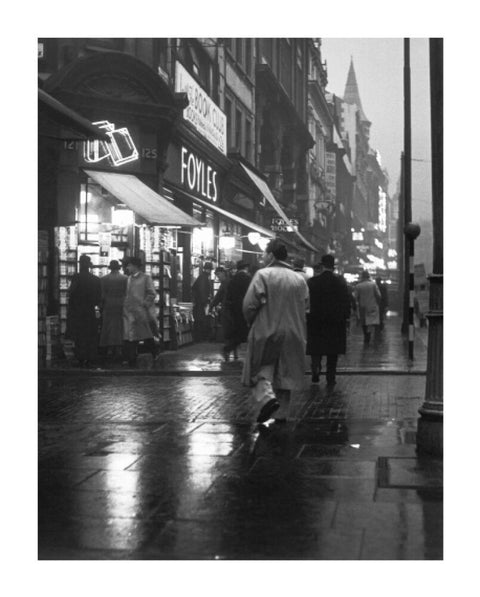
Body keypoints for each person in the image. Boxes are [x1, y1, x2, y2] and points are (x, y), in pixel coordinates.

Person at [241, 239, 309, 424]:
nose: (262, 257)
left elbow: (249, 305)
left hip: (266, 329)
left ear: (271, 255)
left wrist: (251, 321)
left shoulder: (263, 275)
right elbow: (306, 307)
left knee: (260, 368)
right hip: (294, 331)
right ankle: (281, 415)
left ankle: (267, 400)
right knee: (285, 374)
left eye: (263, 253)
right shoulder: (299, 279)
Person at [306, 254, 350, 387]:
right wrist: (346, 318)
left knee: (316, 349)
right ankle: (331, 377)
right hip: (335, 322)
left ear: (322, 265)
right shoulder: (340, 282)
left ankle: (316, 370)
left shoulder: (313, 282)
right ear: (333, 265)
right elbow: (345, 302)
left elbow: (307, 302)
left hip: (316, 320)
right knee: (333, 351)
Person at [65, 254, 102, 368]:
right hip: (90, 312)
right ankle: (89, 358)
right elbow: (98, 298)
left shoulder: (76, 277)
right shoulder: (96, 280)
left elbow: (71, 293)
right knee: (90, 335)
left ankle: (81, 358)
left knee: (79, 336)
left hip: (78, 312)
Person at [122, 256, 158, 366]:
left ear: (134, 266)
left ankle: (155, 353)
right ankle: (131, 358)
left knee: (146, 335)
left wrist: (144, 304)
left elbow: (152, 293)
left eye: (129, 265)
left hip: (141, 313)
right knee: (130, 336)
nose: (127, 267)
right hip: (129, 312)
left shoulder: (146, 278)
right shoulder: (128, 279)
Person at [222, 260, 252, 361]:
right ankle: (228, 349)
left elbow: (229, 295)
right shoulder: (248, 279)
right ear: (246, 268)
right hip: (245, 308)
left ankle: (230, 349)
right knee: (243, 332)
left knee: (237, 331)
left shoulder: (233, 279)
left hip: (234, 309)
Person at [99, 260, 128, 361]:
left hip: (109, 304)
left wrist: (101, 306)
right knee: (120, 327)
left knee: (108, 327)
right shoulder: (125, 278)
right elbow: (127, 293)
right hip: (121, 304)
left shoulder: (104, 279)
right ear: (119, 267)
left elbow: (102, 295)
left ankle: (109, 349)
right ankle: (119, 348)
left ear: (110, 267)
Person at [355, 270, 381, 344]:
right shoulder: (373, 285)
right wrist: (377, 304)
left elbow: (355, 297)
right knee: (371, 323)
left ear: (362, 276)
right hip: (372, 307)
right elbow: (379, 295)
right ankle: (371, 337)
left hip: (362, 307)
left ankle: (366, 336)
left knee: (364, 323)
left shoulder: (358, 286)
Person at [191, 261, 213, 342]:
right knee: (201, 320)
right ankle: (200, 337)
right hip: (201, 303)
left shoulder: (202, 277)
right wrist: (205, 302)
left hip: (199, 302)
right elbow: (202, 290)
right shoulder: (204, 278)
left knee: (199, 320)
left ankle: (199, 337)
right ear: (208, 270)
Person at [209, 266, 230, 345]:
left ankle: (228, 345)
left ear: (223, 273)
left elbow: (219, 296)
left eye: (218, 274)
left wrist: (212, 305)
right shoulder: (228, 281)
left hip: (227, 308)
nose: (218, 277)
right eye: (217, 275)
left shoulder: (225, 283)